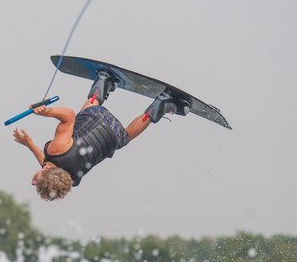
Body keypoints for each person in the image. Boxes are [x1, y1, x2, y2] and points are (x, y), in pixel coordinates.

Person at [12, 71, 189, 201]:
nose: (33, 182)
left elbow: (47, 163)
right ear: (46, 171)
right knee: (81, 116)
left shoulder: (70, 180)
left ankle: (163, 101)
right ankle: (103, 81)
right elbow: (69, 115)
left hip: (115, 135)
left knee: (125, 138)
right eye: (37, 181)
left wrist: (30, 145)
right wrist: (46, 112)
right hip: (95, 115)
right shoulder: (56, 149)